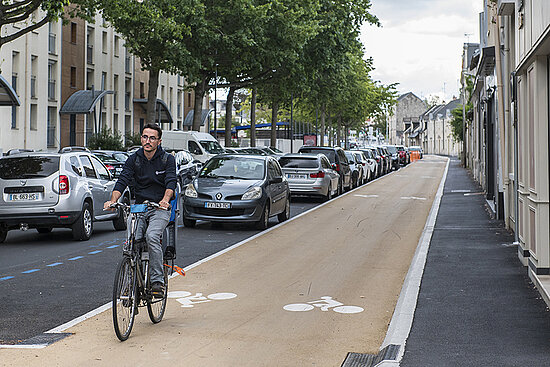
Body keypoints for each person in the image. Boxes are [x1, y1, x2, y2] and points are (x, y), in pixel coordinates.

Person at [104, 123, 176, 298]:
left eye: (152, 138)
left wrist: (165, 201)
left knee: (152, 236)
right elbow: (122, 181)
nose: (148, 141)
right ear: (141, 138)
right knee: (131, 241)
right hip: (139, 207)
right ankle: (129, 285)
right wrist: (113, 200)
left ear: (159, 141)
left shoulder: (167, 159)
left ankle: (157, 281)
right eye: (145, 137)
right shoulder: (134, 159)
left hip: (159, 207)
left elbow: (171, 183)